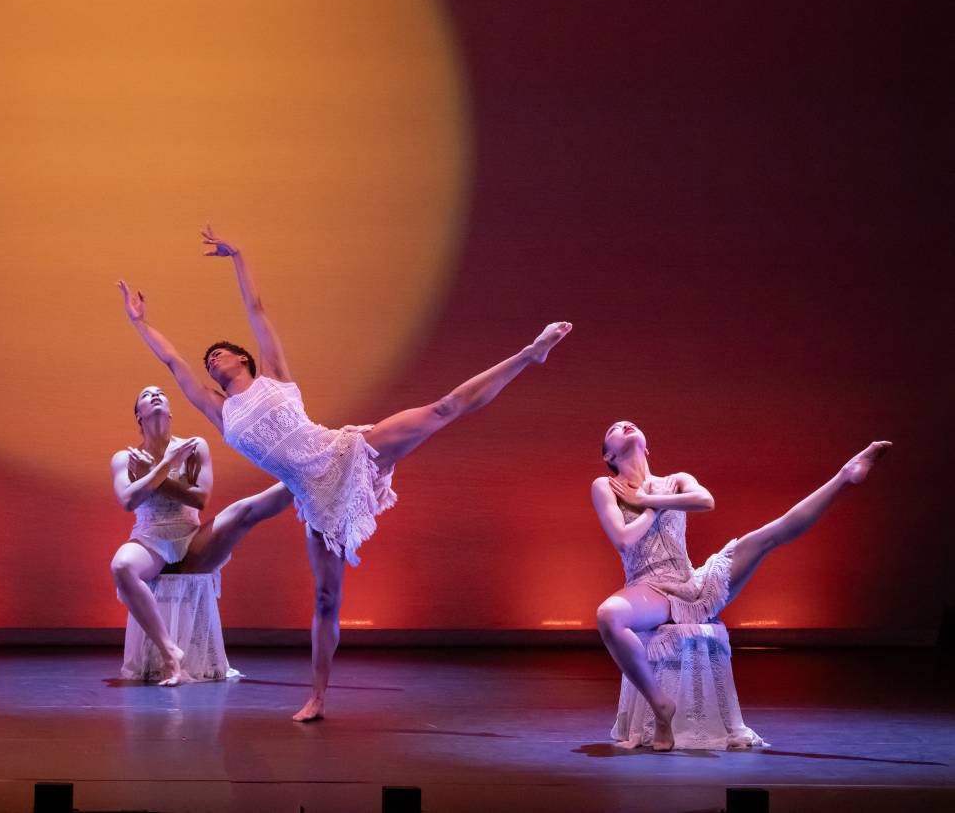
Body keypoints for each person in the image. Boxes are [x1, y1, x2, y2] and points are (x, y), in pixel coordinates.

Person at [119, 225, 572, 719]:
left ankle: (531, 354)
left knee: (442, 409)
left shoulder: (275, 376)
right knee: (328, 598)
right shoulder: (218, 410)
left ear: (244, 359)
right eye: (209, 361)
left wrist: (239, 257)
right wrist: (140, 322)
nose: (211, 359)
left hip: (346, 452)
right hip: (314, 498)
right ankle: (318, 696)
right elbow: (172, 361)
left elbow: (258, 311)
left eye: (220, 352)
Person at [592, 421, 891, 749]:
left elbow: (706, 501)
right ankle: (660, 706)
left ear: (647, 447)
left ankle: (844, 476)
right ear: (609, 454)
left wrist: (651, 497)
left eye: (629, 424)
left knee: (767, 536)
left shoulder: (675, 481)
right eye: (616, 428)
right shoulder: (606, 486)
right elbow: (623, 539)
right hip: (649, 589)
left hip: (692, 583)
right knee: (609, 615)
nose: (625, 424)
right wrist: (651, 506)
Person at [111, 384, 292, 685]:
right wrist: (167, 466)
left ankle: (308, 479)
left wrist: (153, 472)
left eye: (160, 393)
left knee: (245, 511)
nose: (154, 395)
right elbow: (128, 501)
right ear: (138, 417)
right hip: (150, 540)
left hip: (192, 538)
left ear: (169, 411)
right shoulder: (125, 457)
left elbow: (199, 500)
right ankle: (170, 652)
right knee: (121, 566)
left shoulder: (194, 447)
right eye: (145, 394)